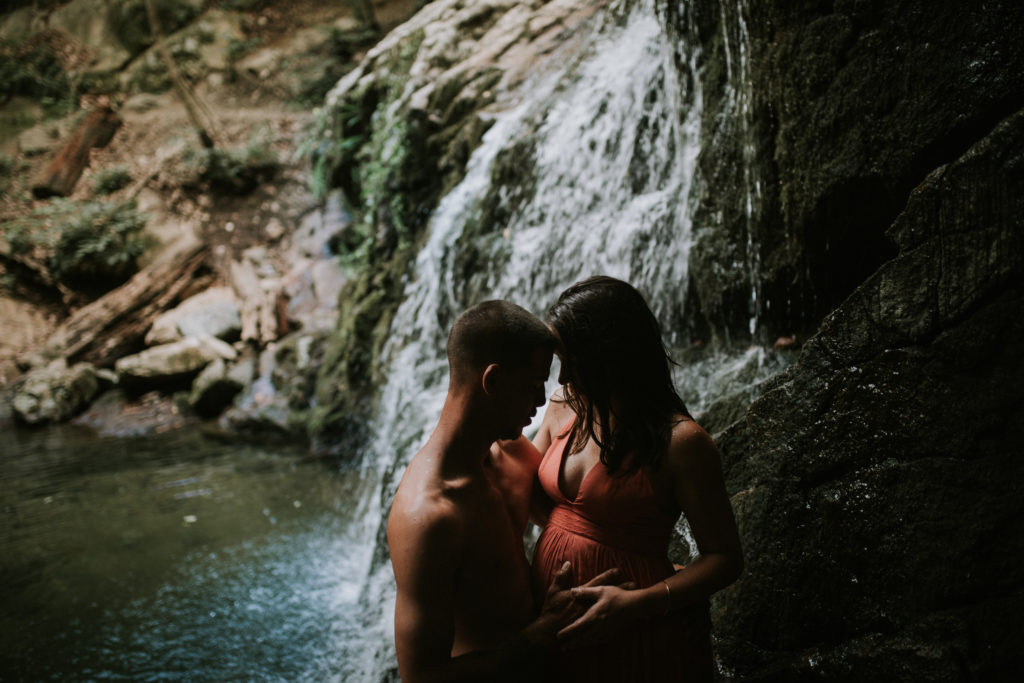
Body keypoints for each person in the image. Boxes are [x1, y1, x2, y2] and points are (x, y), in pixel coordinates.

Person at [387, 300, 620, 683]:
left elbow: (576, 523)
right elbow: (422, 677)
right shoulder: (428, 515)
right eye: (534, 386)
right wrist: (539, 635)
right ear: (491, 381)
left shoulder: (512, 453)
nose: (544, 401)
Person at [529, 276, 744, 682]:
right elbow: (519, 484)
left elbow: (726, 558)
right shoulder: (562, 405)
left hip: (636, 629)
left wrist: (642, 601)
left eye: (571, 360)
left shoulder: (681, 442)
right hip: (553, 621)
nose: (561, 378)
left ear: (608, 355)